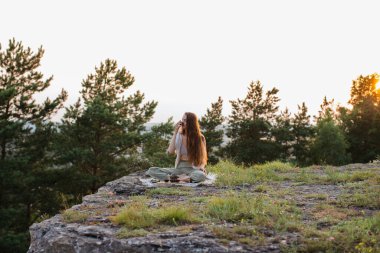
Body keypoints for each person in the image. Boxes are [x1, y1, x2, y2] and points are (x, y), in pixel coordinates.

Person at [146, 112, 208, 183]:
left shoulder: (200, 138)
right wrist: (175, 132)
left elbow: (203, 157)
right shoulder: (179, 136)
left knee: (201, 175)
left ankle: (176, 179)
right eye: (182, 120)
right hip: (179, 168)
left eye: (185, 120)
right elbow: (170, 152)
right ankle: (184, 179)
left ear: (192, 123)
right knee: (151, 170)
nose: (182, 122)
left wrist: (202, 167)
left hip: (193, 168)